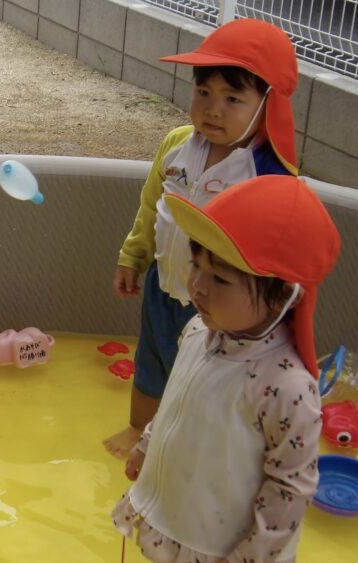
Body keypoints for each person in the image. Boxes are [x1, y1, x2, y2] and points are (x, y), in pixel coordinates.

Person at [112, 175, 340, 562]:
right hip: (176, 521)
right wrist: (148, 443)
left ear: (283, 296)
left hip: (220, 549)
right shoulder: (198, 331)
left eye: (220, 278)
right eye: (195, 264)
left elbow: (289, 490)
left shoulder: (286, 387)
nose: (197, 285)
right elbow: (179, 399)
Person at [104, 19, 301, 458]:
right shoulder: (177, 144)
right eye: (203, 92)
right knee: (152, 361)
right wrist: (133, 257)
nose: (213, 109)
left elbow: (276, 256)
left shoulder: (265, 173)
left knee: (206, 379)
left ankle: (190, 449)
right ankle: (138, 429)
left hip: (219, 306)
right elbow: (152, 206)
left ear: (267, 105)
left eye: (233, 99)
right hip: (164, 285)